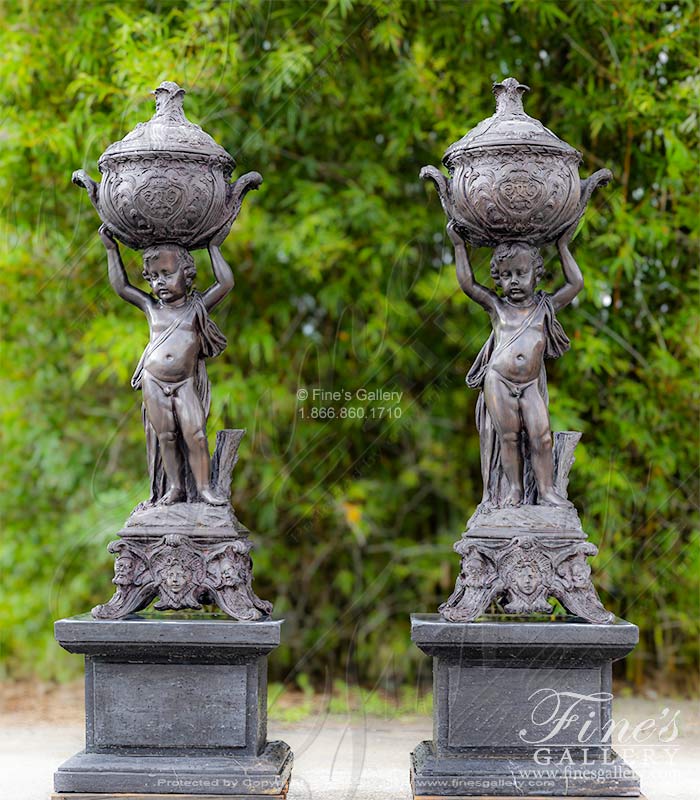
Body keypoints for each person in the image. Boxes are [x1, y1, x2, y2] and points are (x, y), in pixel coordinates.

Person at [447, 220, 583, 508]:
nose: (514, 281)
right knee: (508, 437)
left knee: (542, 437)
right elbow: (468, 284)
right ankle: (514, 491)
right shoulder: (498, 307)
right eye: (506, 275)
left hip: (530, 384)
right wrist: (459, 246)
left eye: (521, 273)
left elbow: (576, 284)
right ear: (498, 279)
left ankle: (546, 491)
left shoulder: (545, 307)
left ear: (537, 275)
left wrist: (562, 246)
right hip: (499, 380)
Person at [98, 224, 233, 505]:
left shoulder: (197, 307)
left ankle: (205, 488)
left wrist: (214, 247)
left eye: (167, 274)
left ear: (187, 274)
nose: (159, 283)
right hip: (154, 381)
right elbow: (121, 287)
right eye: (153, 277)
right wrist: (112, 250)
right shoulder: (151, 308)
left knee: (195, 433)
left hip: (184, 383)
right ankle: (175, 487)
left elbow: (225, 284)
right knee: (167, 437)